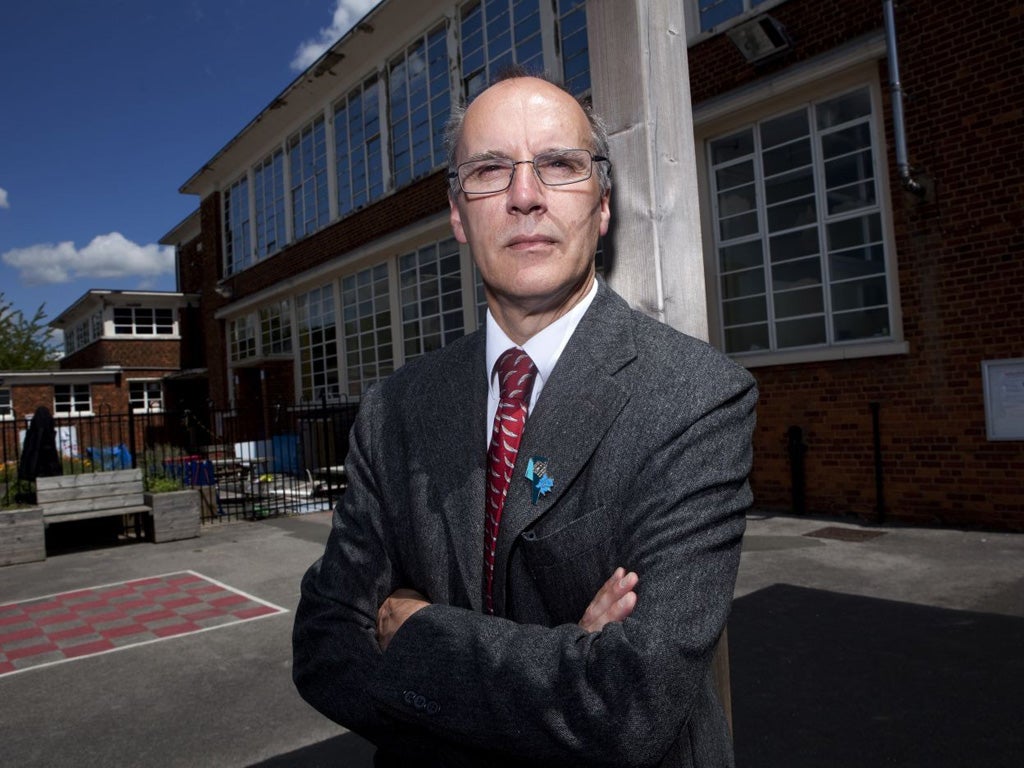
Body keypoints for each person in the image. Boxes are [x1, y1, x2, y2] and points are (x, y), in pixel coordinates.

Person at [293, 73, 758, 767]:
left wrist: (416, 634)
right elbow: (326, 645)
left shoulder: (696, 396)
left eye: (559, 165)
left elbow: (629, 704)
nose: (524, 195)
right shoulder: (394, 408)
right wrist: (567, 660)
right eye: (488, 171)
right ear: (457, 214)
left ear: (602, 204)